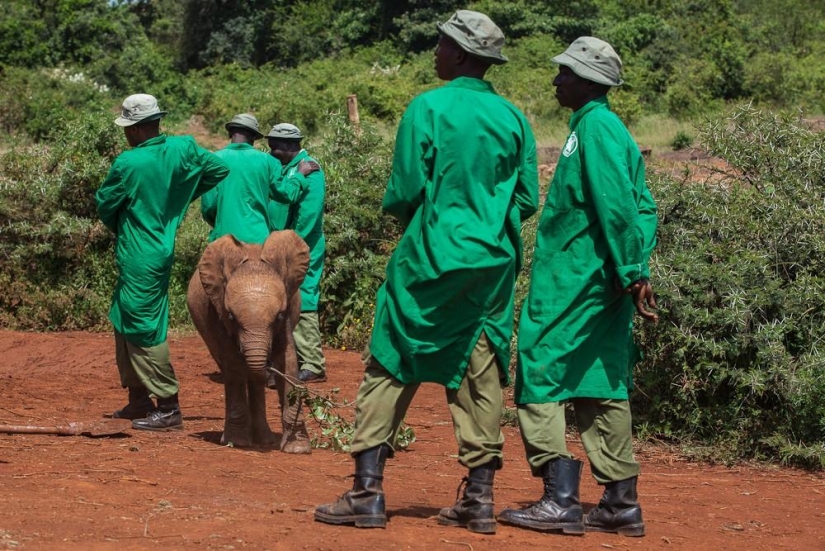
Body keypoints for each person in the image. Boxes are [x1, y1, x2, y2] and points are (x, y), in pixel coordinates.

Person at [314, 10, 538, 534]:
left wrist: (433, 222)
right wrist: (487, 220)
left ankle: (366, 493)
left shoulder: (427, 108)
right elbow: (526, 196)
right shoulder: (514, 118)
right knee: (480, 370)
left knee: (393, 358)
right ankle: (479, 500)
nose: (434, 52)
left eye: (440, 45)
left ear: (460, 53)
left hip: (429, 255)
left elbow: (406, 190)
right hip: (491, 265)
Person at [497, 37, 658, 538]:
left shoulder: (597, 128)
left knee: (540, 369)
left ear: (588, 81)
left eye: (565, 72)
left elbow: (620, 205)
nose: (556, 80)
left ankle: (559, 499)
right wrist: (631, 270)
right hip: (602, 277)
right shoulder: (595, 126)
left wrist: (631, 269)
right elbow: (643, 206)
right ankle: (619, 503)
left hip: (581, 281)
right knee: (598, 380)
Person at [96, 93, 230, 431]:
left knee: (142, 325)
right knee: (122, 315)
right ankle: (138, 399)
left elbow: (105, 205)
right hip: (155, 249)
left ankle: (168, 406)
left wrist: (132, 219)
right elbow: (218, 168)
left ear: (139, 129)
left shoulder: (128, 164)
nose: (125, 134)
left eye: (128, 128)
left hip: (141, 252)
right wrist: (177, 196)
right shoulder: (183, 149)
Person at [266, 123, 327, 383]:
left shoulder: (311, 171)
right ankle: (287, 358)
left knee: (305, 296)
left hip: (302, 247)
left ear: (290, 147)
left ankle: (313, 363)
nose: (271, 152)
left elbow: (309, 217)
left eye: (276, 148)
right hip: (281, 245)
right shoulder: (284, 168)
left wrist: (292, 246)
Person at [200, 113, 306, 245]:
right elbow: (287, 194)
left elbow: (208, 206)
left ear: (229, 133)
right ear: (254, 137)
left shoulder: (214, 161)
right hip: (258, 241)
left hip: (224, 241)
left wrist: (223, 221)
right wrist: (300, 176)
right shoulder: (268, 161)